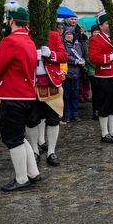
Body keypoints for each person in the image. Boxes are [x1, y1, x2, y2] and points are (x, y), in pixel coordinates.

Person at [0, 1, 42, 191]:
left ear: (11, 21)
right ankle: (33, 173)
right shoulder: (29, 40)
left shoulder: (10, 41)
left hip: (11, 96)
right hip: (26, 96)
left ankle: (21, 179)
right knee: (20, 137)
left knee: (14, 140)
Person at [88, 14, 113, 143]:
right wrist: (110, 57)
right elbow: (93, 58)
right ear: (101, 26)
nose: (109, 25)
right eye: (107, 23)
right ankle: (104, 133)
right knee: (104, 105)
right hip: (103, 75)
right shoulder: (96, 39)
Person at [34, 26, 67, 164]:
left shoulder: (53, 35)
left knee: (53, 118)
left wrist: (50, 54)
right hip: (32, 83)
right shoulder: (24, 36)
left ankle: (51, 152)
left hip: (51, 82)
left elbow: (63, 56)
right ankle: (34, 151)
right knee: (33, 120)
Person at [62, 26, 84, 121]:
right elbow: (65, 56)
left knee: (75, 95)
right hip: (67, 73)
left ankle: (75, 114)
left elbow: (81, 55)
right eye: (67, 34)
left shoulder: (77, 44)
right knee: (66, 95)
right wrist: (76, 61)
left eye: (70, 34)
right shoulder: (63, 45)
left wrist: (82, 61)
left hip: (76, 73)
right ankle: (67, 115)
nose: (69, 36)